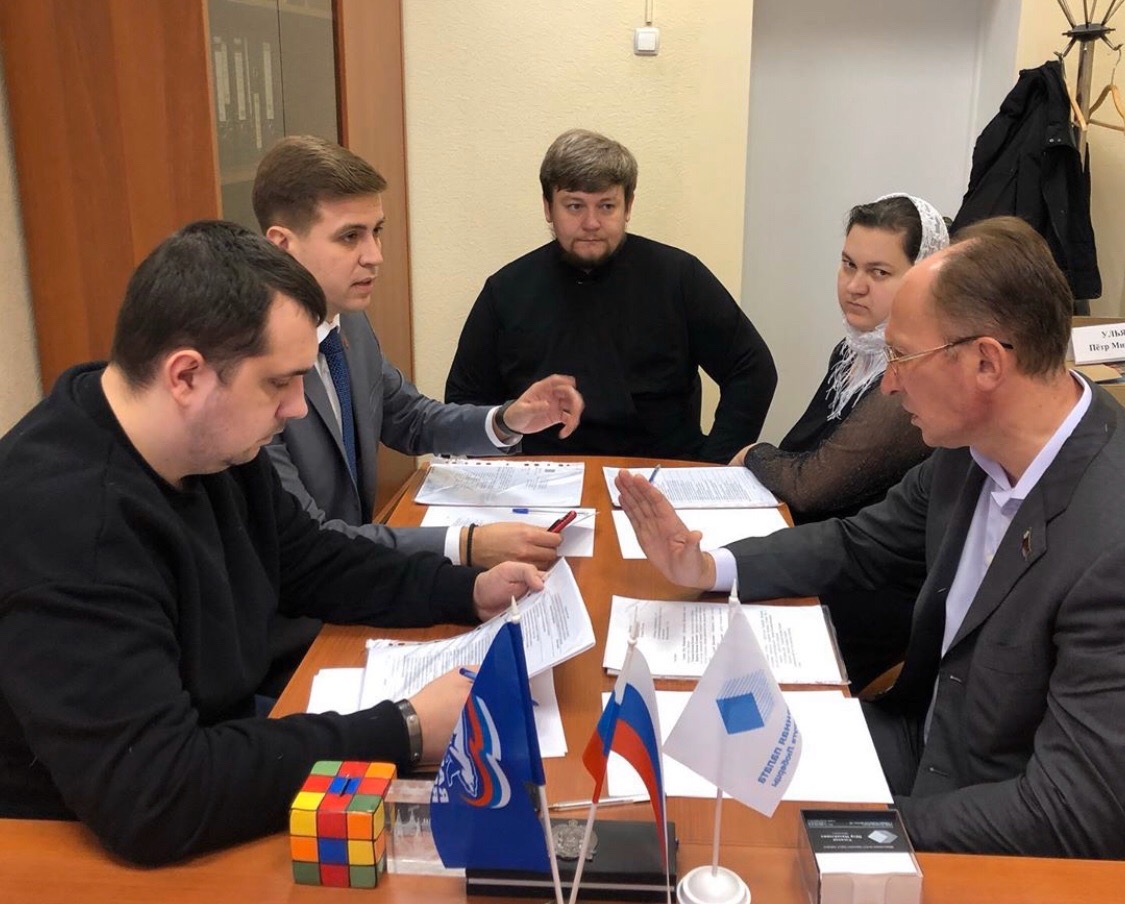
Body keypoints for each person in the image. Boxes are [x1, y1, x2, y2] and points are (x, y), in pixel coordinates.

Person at [0, 221, 544, 865]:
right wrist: (404, 728)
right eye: (278, 383)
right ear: (185, 376)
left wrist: (465, 590)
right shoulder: (72, 527)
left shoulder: (206, 442)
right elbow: (156, 795)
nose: (296, 409)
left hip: (211, 753)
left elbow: (311, 562)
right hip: (69, 840)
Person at [615, 216, 1125, 858]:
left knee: (735, 844)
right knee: (681, 777)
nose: (888, 382)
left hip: (985, 825)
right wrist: (707, 567)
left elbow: (1072, 813)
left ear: (986, 362)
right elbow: (857, 544)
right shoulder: (971, 448)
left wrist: (846, 830)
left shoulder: (1109, 541)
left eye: (902, 357)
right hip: (911, 742)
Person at [253, 136, 584, 570]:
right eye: (350, 237)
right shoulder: (252, 363)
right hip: (301, 592)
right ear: (283, 245)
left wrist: (507, 420)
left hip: (353, 571)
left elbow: (410, 418)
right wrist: (465, 545)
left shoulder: (347, 321)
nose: (375, 256)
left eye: (376, 231)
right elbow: (308, 539)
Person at [444, 128, 777, 463]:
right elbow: (463, 400)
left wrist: (713, 465)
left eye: (606, 206)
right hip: (543, 473)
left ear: (627, 206)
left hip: (662, 473)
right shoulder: (506, 289)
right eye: (574, 206)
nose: (591, 222)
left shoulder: (678, 277)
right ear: (548, 208)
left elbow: (752, 368)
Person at [730, 194, 946, 690]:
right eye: (848, 264)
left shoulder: (908, 378)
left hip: (865, 585)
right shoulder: (852, 352)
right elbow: (801, 454)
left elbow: (811, 486)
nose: (854, 286)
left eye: (879, 272)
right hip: (816, 551)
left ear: (922, 278)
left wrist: (753, 454)